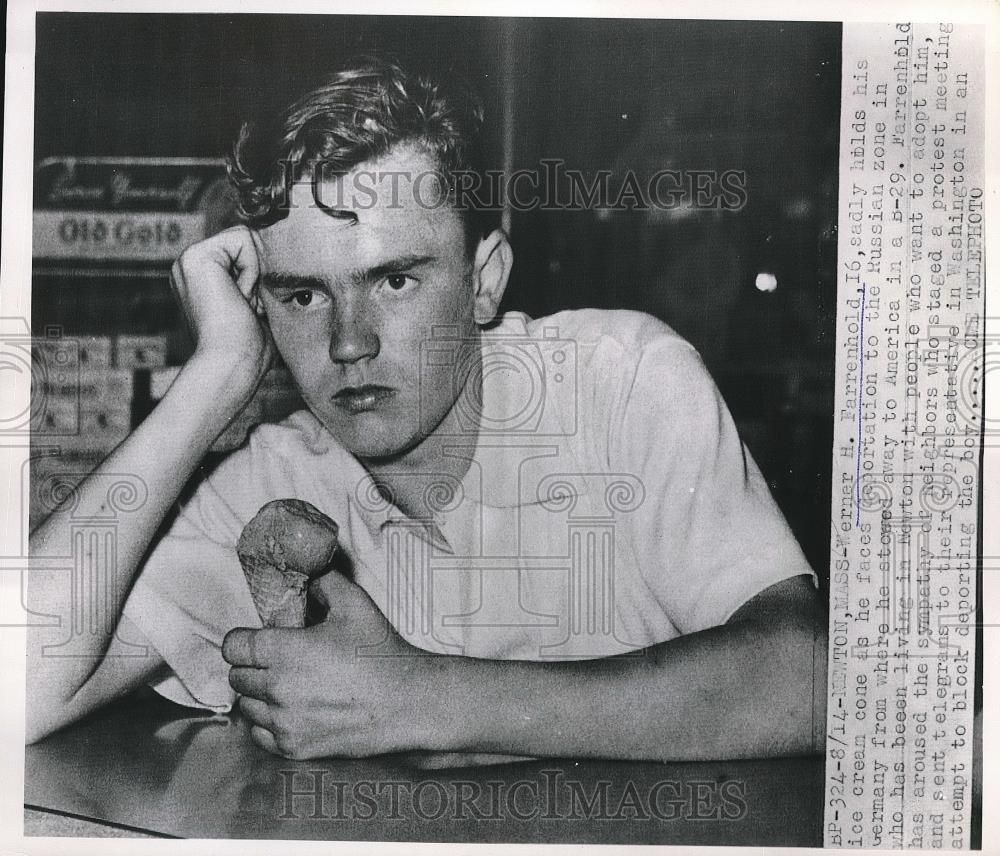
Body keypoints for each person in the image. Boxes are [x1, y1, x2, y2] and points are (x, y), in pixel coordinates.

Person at [27, 57, 827, 761]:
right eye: (302, 295)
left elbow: (811, 678)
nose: (348, 344)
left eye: (394, 280)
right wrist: (216, 375)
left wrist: (419, 700)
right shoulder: (268, 478)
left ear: (484, 279)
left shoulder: (621, 380)